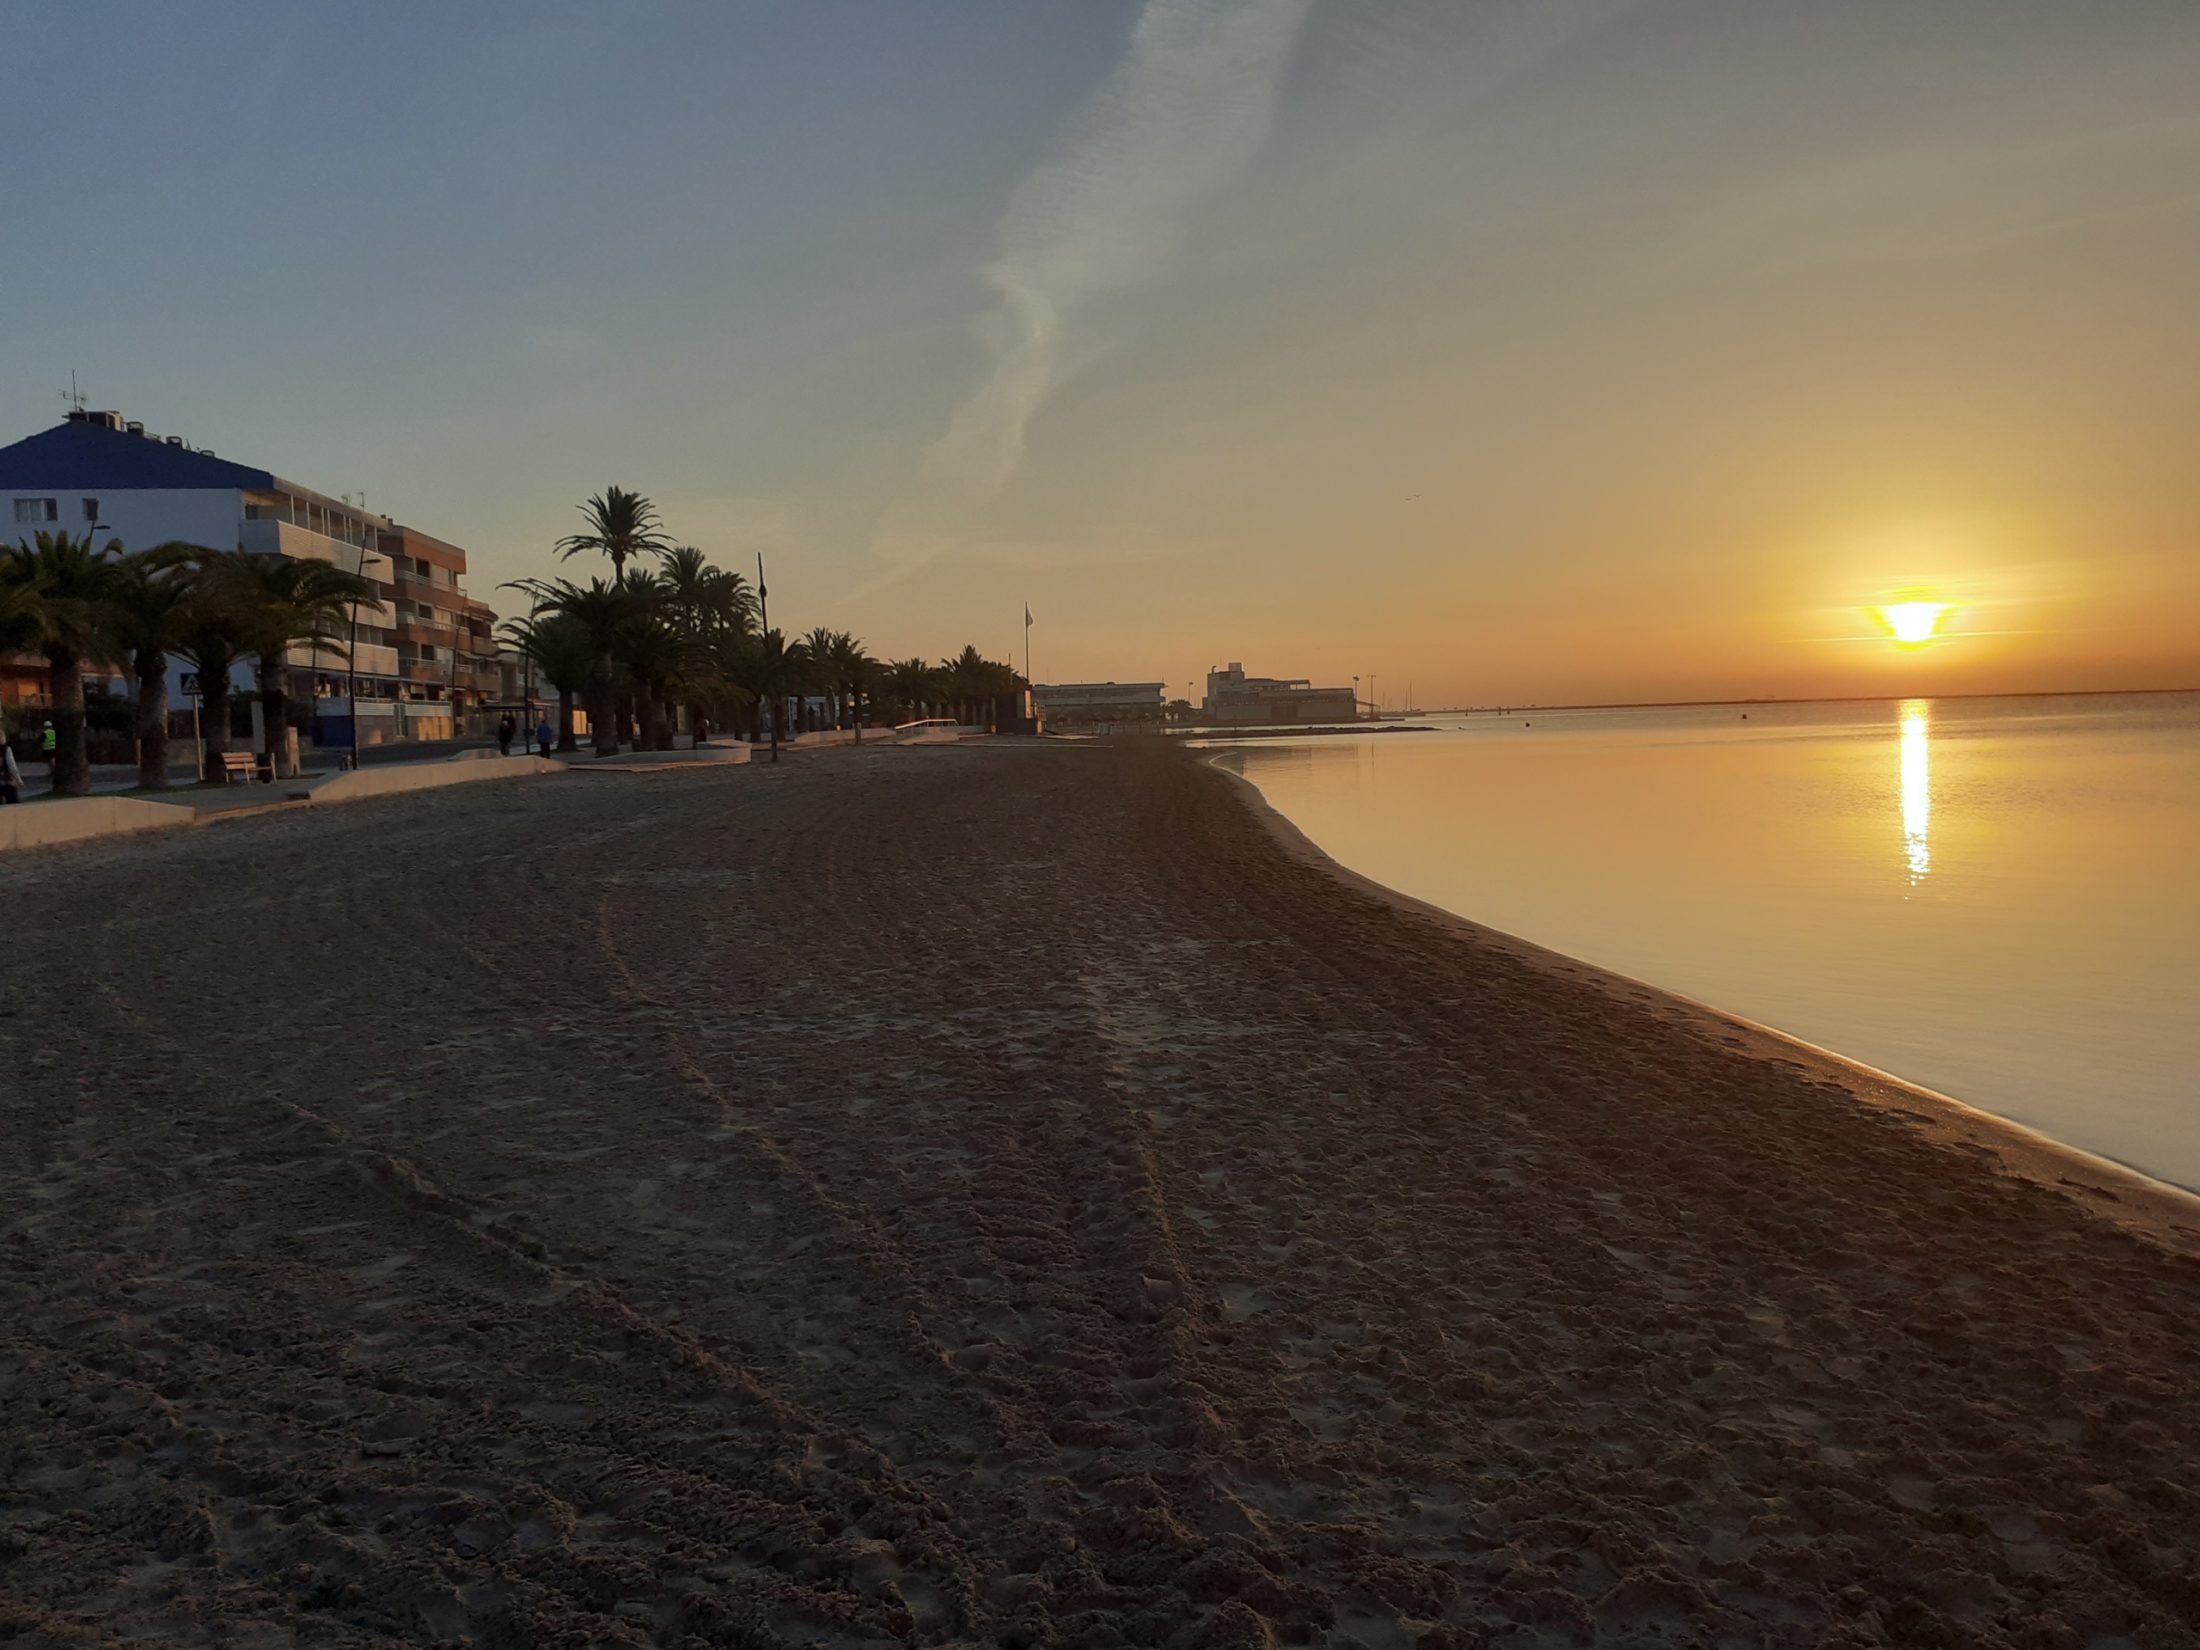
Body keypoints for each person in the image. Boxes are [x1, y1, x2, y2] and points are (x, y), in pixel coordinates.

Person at [1, 740, 22, 804]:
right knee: (13, 802)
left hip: (4, 780)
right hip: (6, 781)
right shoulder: (6, 749)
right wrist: (18, 779)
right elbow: (11, 765)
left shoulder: (6, 749)